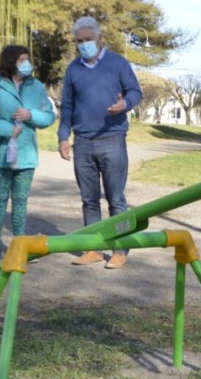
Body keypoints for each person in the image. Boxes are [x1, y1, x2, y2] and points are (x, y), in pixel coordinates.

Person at [58, 16, 142, 270]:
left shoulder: (118, 64)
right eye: (79, 41)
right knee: (89, 200)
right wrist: (63, 136)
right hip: (82, 142)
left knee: (116, 200)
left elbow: (135, 92)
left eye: (88, 40)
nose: (84, 44)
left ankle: (120, 249)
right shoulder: (73, 69)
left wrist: (124, 105)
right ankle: (93, 247)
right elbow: (68, 105)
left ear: (100, 39)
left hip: (112, 139)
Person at [0, 44, 56, 263]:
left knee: (21, 200)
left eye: (27, 59)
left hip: (26, 154)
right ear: (10, 61)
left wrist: (31, 115)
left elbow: (49, 116)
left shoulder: (36, 86)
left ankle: (21, 244)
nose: (26, 63)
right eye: (21, 59)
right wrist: (7, 130)